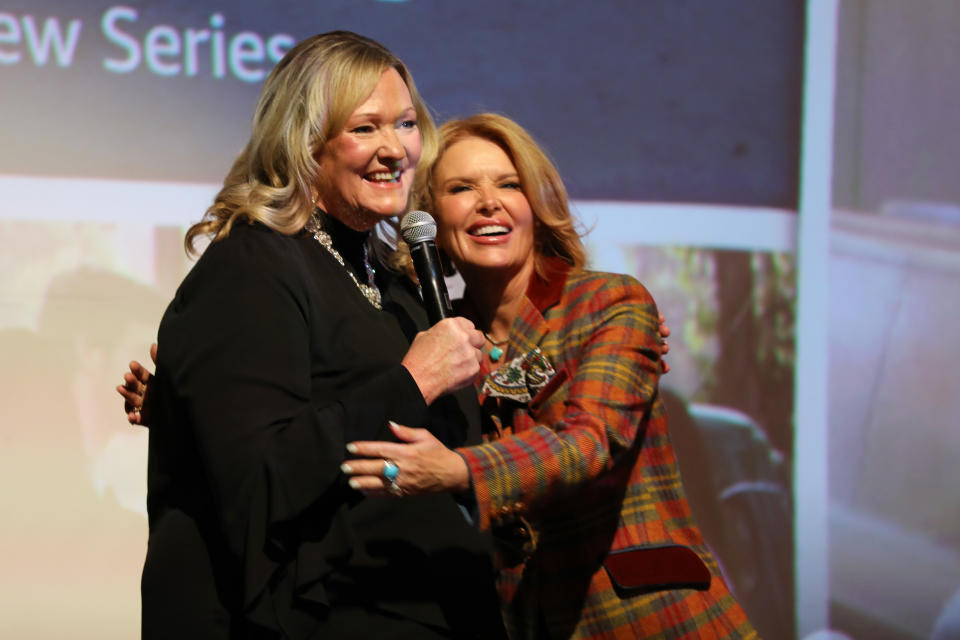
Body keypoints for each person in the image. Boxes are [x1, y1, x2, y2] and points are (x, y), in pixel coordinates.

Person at [128, 31, 506, 639]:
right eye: (364, 128)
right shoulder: (252, 265)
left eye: (405, 124)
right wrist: (412, 381)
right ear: (306, 144)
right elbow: (259, 481)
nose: (394, 150)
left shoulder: (398, 283)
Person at [341, 114, 759, 639]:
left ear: (536, 206)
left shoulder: (609, 302)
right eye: (460, 187)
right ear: (430, 219)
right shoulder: (439, 347)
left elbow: (590, 441)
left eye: (509, 184)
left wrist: (461, 471)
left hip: (650, 620)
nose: (488, 201)